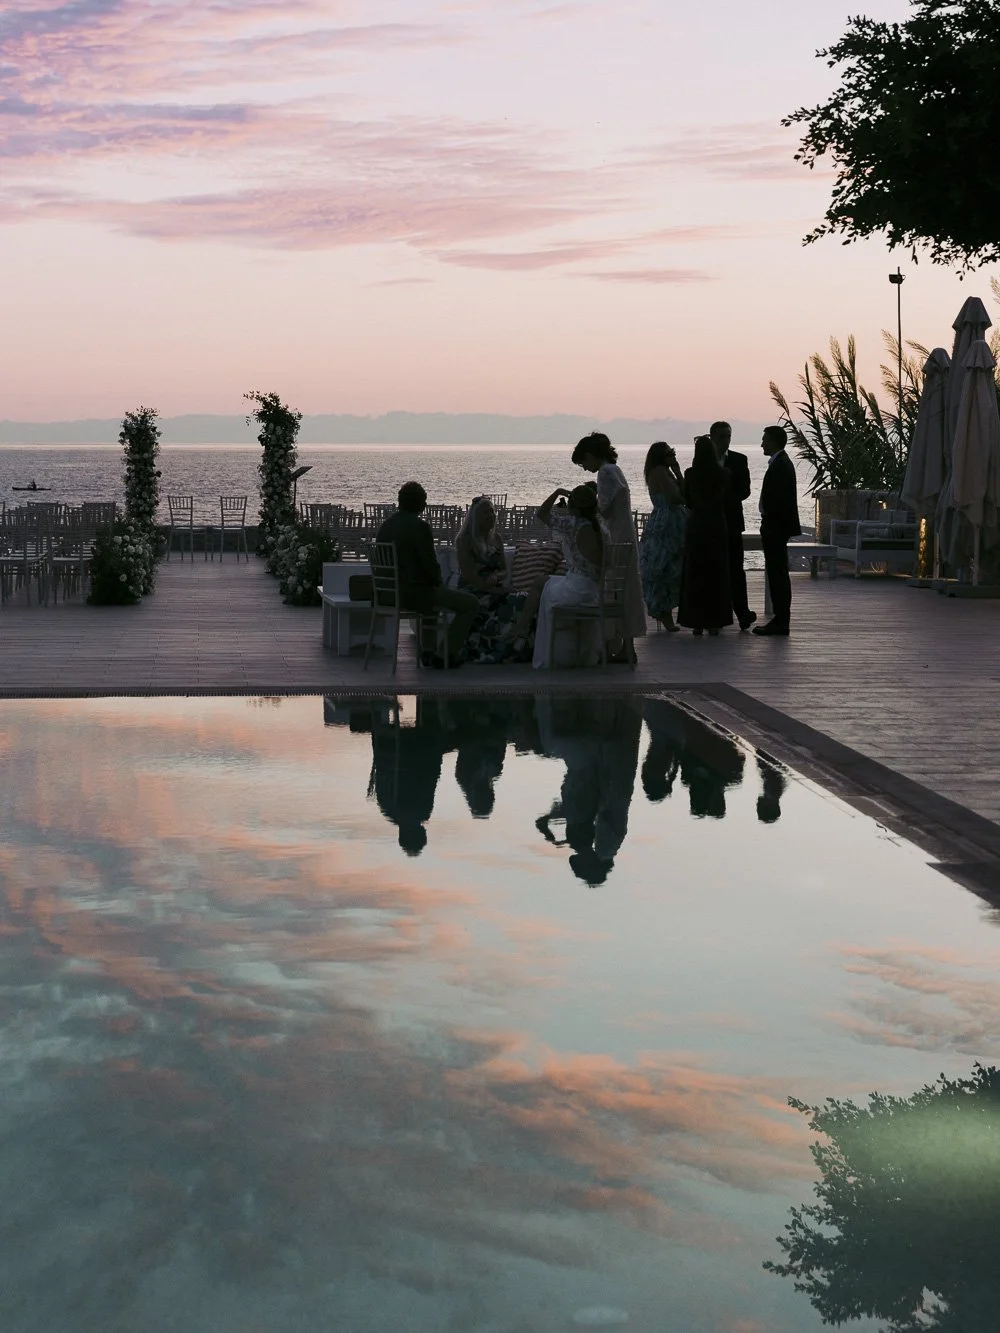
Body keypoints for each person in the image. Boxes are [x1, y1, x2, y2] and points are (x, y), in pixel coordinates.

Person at [376, 481, 480, 666]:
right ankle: (445, 654)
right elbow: (430, 565)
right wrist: (439, 582)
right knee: (470, 603)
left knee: (431, 600)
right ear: (422, 505)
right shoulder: (420, 527)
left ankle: (429, 652)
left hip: (386, 593)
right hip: (413, 595)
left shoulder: (385, 527)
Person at [571, 431, 646, 663]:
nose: (584, 468)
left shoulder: (605, 473)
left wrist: (581, 502)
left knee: (613, 593)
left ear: (591, 455)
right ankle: (626, 647)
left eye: (584, 462)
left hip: (615, 538)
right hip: (626, 537)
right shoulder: (615, 470)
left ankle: (617, 647)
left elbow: (602, 509)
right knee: (627, 591)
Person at [455, 496, 537, 662]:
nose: (491, 515)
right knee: (508, 604)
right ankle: (489, 651)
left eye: (492, 511)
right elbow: (469, 575)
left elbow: (504, 571)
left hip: (495, 589)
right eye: (486, 512)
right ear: (475, 517)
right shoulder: (465, 541)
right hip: (473, 590)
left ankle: (516, 648)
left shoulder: (497, 538)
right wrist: (493, 589)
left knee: (526, 600)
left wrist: (496, 577)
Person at [532, 484, 603, 669]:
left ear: (574, 508)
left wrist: (557, 492)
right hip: (595, 590)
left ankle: (544, 649)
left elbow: (541, 513)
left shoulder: (572, 524)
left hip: (579, 590)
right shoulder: (600, 526)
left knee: (544, 586)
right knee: (546, 583)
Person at [677, 435, 733, 635]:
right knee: (717, 572)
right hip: (717, 524)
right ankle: (715, 621)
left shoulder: (691, 474)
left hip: (697, 524)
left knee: (696, 572)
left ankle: (696, 621)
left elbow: (687, 500)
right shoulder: (724, 474)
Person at [753, 425, 801, 636]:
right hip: (776, 527)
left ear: (773, 441)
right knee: (777, 573)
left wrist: (770, 523)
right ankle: (780, 618)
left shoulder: (780, 465)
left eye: (765, 439)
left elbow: (779, 500)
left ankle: (781, 620)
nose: (762, 443)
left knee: (777, 573)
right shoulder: (782, 463)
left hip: (776, 528)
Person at [710, 420, 756, 631]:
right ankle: (715, 615)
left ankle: (742, 614)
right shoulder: (704, 460)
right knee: (713, 571)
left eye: (728, 436)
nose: (725, 440)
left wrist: (725, 498)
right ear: (712, 438)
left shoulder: (739, 460)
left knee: (736, 570)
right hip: (711, 525)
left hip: (732, 522)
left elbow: (745, 490)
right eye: (721, 436)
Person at [638, 441, 687, 631]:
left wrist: (678, 473)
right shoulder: (659, 471)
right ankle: (664, 615)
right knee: (664, 566)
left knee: (671, 566)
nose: (672, 456)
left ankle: (666, 615)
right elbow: (675, 496)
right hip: (667, 521)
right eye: (669, 454)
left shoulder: (664, 471)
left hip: (671, 518)